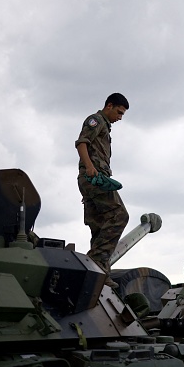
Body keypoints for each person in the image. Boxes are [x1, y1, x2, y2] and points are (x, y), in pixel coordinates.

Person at [75, 93, 130, 289]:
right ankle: (95, 262)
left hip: (94, 180)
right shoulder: (96, 120)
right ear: (109, 106)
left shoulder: (105, 126)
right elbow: (82, 143)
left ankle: (99, 273)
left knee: (98, 226)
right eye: (119, 112)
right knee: (119, 215)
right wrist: (90, 166)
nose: (120, 117)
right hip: (94, 179)